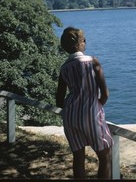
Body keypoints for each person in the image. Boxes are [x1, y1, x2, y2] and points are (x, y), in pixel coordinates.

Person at [56, 27, 113, 179]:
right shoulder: (92, 62)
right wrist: (97, 105)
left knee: (78, 157)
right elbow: (105, 93)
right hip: (91, 114)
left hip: (70, 116)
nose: (85, 42)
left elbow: (59, 99)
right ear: (81, 42)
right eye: (84, 40)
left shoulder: (64, 68)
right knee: (105, 155)